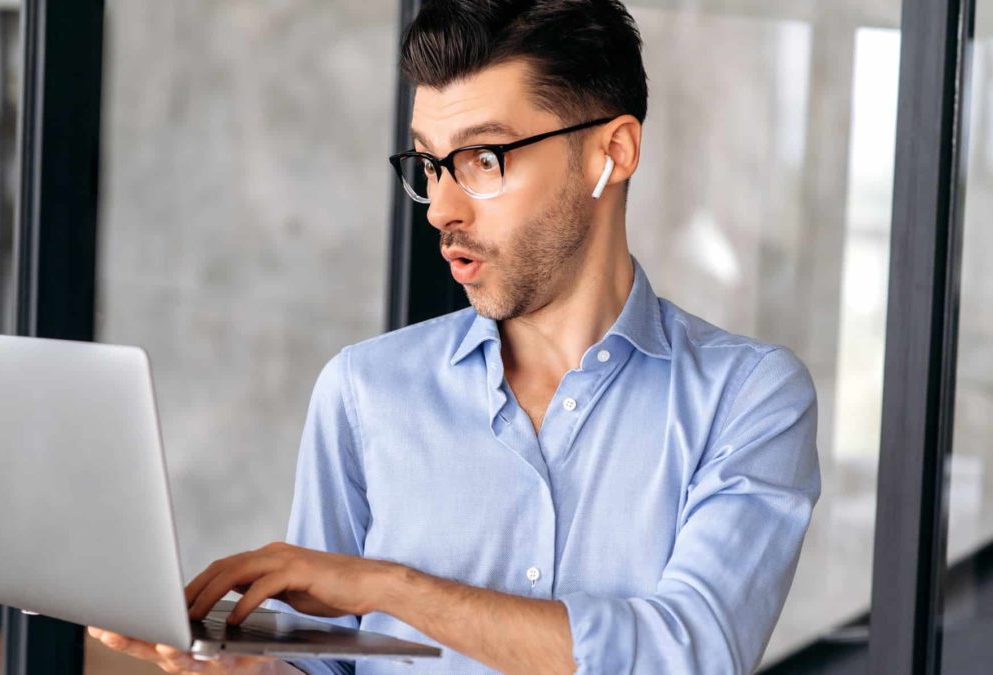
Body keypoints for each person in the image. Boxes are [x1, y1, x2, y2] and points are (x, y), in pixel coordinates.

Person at [89, 1, 821, 673]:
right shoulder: (362, 390)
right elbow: (323, 662)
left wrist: (387, 584)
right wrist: (242, 668)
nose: (441, 207)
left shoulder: (747, 397)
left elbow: (688, 652)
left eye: (483, 159)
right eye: (431, 163)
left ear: (612, 153)